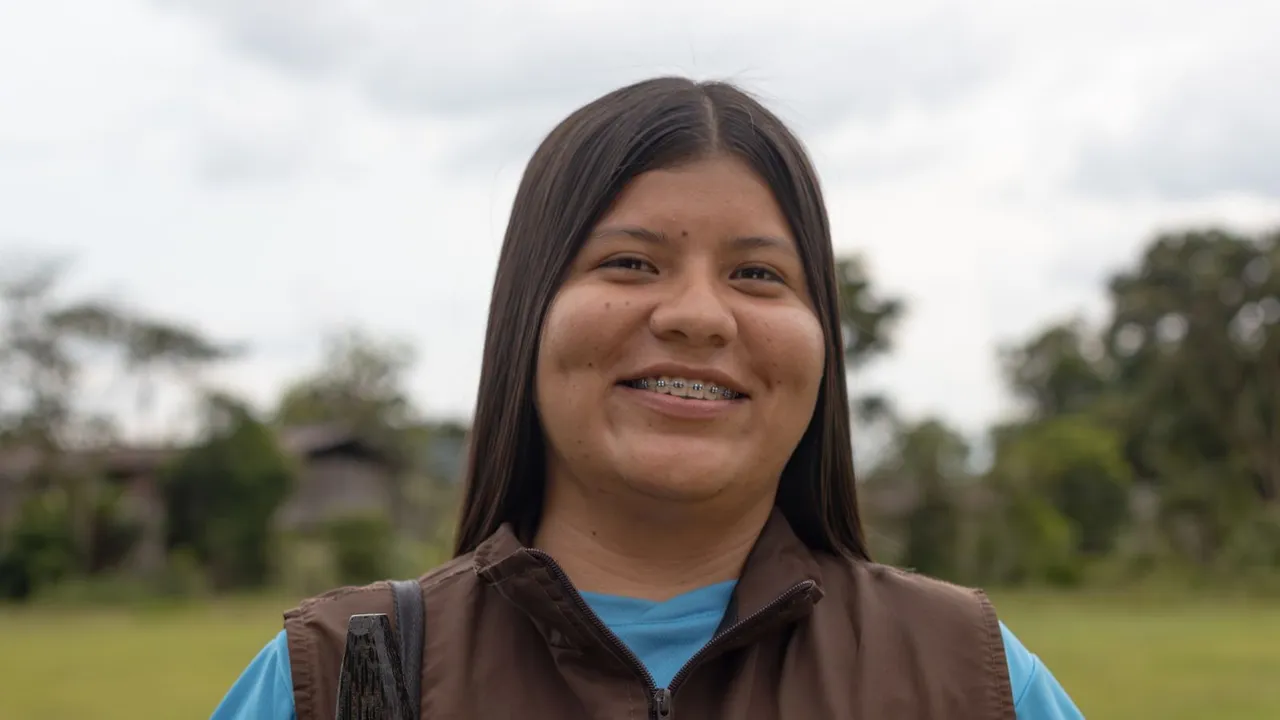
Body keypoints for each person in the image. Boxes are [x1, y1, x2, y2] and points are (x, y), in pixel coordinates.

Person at [213, 76, 1084, 719]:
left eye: (757, 273)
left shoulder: (968, 677)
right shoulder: (339, 677)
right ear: (528, 318)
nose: (699, 316)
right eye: (629, 263)